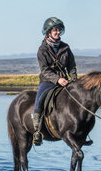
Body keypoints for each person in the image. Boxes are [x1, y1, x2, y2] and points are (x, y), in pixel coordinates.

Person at [32, 17, 77, 145]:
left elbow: (71, 66)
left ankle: (79, 131)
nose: (57, 32)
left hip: (65, 81)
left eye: (59, 30)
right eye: (55, 30)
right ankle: (37, 131)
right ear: (48, 32)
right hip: (48, 81)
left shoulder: (66, 47)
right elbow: (44, 69)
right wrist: (58, 79)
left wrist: (73, 80)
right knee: (39, 100)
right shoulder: (42, 50)